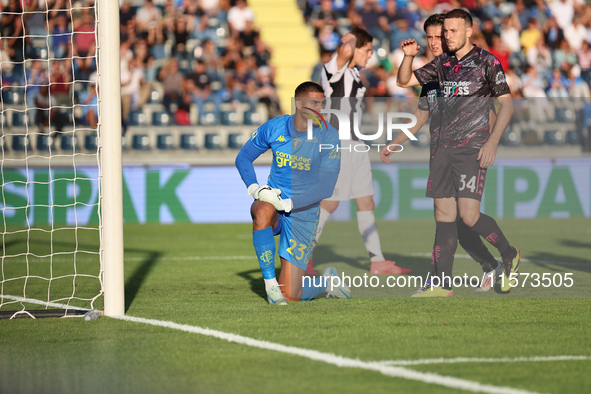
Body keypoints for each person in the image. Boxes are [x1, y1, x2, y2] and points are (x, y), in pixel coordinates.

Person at [396, 9, 521, 296]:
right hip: (441, 151)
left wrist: (491, 143)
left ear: (467, 31)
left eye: (450, 32)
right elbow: (405, 85)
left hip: (472, 149)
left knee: (468, 218)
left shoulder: (487, 62)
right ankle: (442, 284)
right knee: (444, 217)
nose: (445, 37)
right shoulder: (441, 65)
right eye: (442, 33)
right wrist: (408, 57)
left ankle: (508, 254)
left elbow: (506, 105)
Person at [235, 81, 351, 305]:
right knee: (261, 209)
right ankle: (271, 286)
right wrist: (255, 188)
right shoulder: (274, 127)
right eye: (313, 103)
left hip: (303, 214)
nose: (319, 109)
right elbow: (243, 158)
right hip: (274, 205)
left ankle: (326, 283)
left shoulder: (329, 136)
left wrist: (289, 204)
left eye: (322, 104)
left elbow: (326, 187)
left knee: (292, 295)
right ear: (298, 104)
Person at [310, 27, 412, 276]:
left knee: (366, 201)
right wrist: (350, 39)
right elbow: (345, 50)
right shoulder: (335, 69)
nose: (370, 56)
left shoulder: (353, 73)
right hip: (338, 145)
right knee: (329, 203)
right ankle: (301, 257)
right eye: (367, 50)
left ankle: (377, 261)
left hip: (355, 145)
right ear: (353, 48)